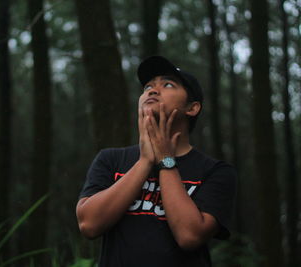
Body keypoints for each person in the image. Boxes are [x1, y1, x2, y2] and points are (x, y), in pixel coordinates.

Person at [76, 56, 237, 267]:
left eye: (168, 84)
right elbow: (89, 224)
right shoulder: (111, 159)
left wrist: (165, 160)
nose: (152, 90)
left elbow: (189, 236)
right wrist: (144, 161)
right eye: (148, 86)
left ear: (192, 108)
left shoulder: (215, 171)